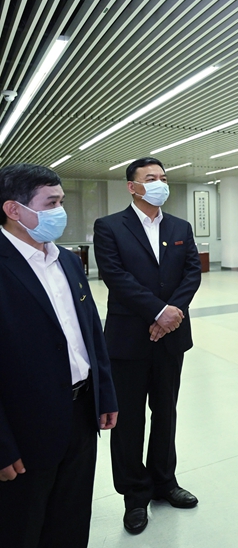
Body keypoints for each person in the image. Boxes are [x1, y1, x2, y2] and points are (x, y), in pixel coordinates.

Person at [0, 164, 118, 548]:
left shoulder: (67, 260)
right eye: (51, 203)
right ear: (13, 210)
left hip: (81, 413)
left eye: (61, 202)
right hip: (23, 427)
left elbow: (90, 333)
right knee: (22, 525)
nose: (60, 212)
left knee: (71, 518)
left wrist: (104, 393)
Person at [94, 157, 202, 535]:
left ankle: (164, 482)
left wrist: (172, 313)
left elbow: (192, 272)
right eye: (151, 178)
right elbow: (115, 276)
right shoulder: (110, 227)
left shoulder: (179, 227)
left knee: (166, 411)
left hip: (172, 337)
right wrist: (158, 311)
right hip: (128, 339)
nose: (160, 183)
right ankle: (134, 495)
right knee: (129, 420)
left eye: (163, 178)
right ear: (132, 186)